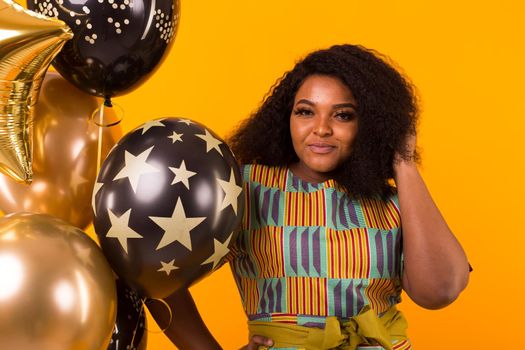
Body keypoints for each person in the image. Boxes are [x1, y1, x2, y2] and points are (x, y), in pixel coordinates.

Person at [148, 44, 470, 349]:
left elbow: (439, 290)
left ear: (371, 124)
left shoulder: (393, 202)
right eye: (305, 112)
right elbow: (156, 274)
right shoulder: (247, 189)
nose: (321, 129)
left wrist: (403, 162)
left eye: (342, 115)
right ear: (286, 117)